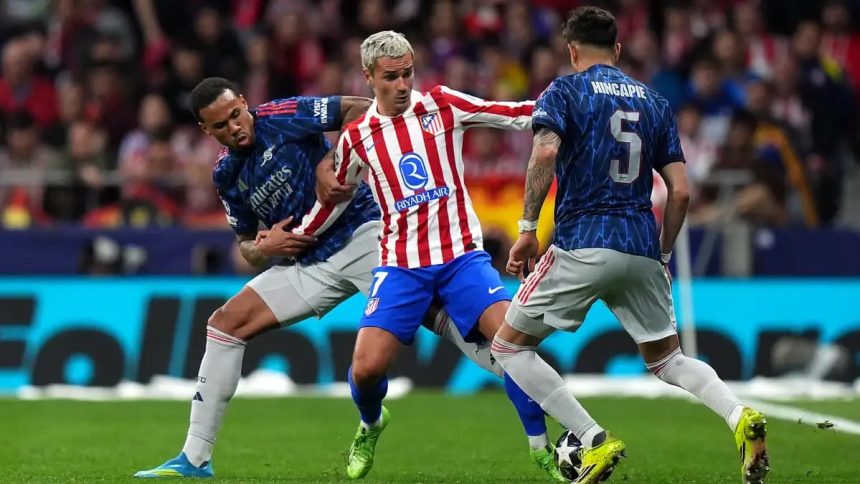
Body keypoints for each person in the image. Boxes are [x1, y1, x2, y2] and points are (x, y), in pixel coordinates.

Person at [132, 77, 551, 479]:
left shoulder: (283, 114)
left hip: (364, 236)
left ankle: (546, 397)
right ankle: (195, 457)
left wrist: (332, 162)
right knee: (224, 325)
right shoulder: (226, 174)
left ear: (244, 102)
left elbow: (364, 109)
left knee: (453, 324)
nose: (235, 127)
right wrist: (266, 248)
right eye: (221, 125)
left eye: (237, 114)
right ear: (206, 130)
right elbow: (245, 245)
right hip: (306, 261)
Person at [490, 7, 769, 484]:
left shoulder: (564, 89)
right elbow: (681, 191)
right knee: (668, 360)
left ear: (572, 51)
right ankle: (739, 415)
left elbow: (545, 152)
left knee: (508, 349)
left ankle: (592, 438)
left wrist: (526, 226)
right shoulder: (656, 102)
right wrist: (662, 254)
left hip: (582, 240)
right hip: (641, 243)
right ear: (617, 50)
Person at [294, 31, 562, 481]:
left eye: (407, 74)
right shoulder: (357, 138)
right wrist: (298, 236)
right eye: (390, 77)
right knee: (365, 369)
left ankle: (541, 449)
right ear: (368, 77)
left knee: (512, 346)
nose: (402, 85)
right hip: (400, 266)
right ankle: (371, 422)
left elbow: (512, 114)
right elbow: (332, 200)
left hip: (461, 257)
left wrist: (565, 104)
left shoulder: (441, 104)